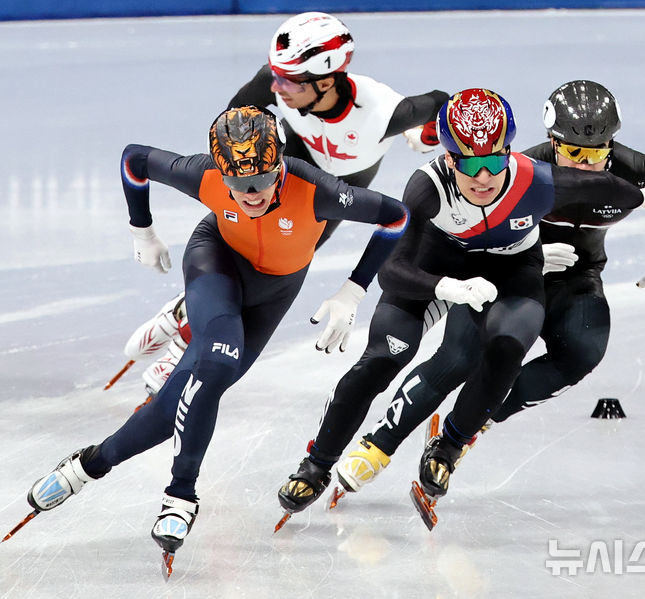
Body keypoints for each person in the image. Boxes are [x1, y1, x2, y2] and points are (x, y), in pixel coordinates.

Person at [23, 106, 408, 567]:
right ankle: (181, 495)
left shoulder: (317, 190)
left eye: (261, 179)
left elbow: (396, 217)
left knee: (178, 403)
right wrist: (142, 230)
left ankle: (89, 464)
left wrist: (354, 289)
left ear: (279, 165)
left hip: (273, 293)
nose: (250, 193)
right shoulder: (204, 174)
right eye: (237, 183)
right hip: (215, 262)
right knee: (219, 362)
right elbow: (134, 158)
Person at [331, 80, 645, 505]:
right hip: (502, 268)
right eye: (573, 153)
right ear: (553, 142)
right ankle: (379, 442)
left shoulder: (634, 171)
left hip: (577, 274)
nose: (586, 165)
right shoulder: (519, 170)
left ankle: (461, 432)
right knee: (459, 358)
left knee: (583, 351)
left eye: (596, 153)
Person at [113, 11, 448, 397]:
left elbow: (443, 102)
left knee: (277, 263)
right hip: (286, 165)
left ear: (325, 81)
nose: (276, 86)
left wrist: (426, 132)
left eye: (287, 80)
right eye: (275, 74)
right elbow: (229, 127)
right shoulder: (272, 83)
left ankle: (185, 329)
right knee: (240, 243)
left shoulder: (385, 113)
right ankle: (188, 310)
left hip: (336, 187)